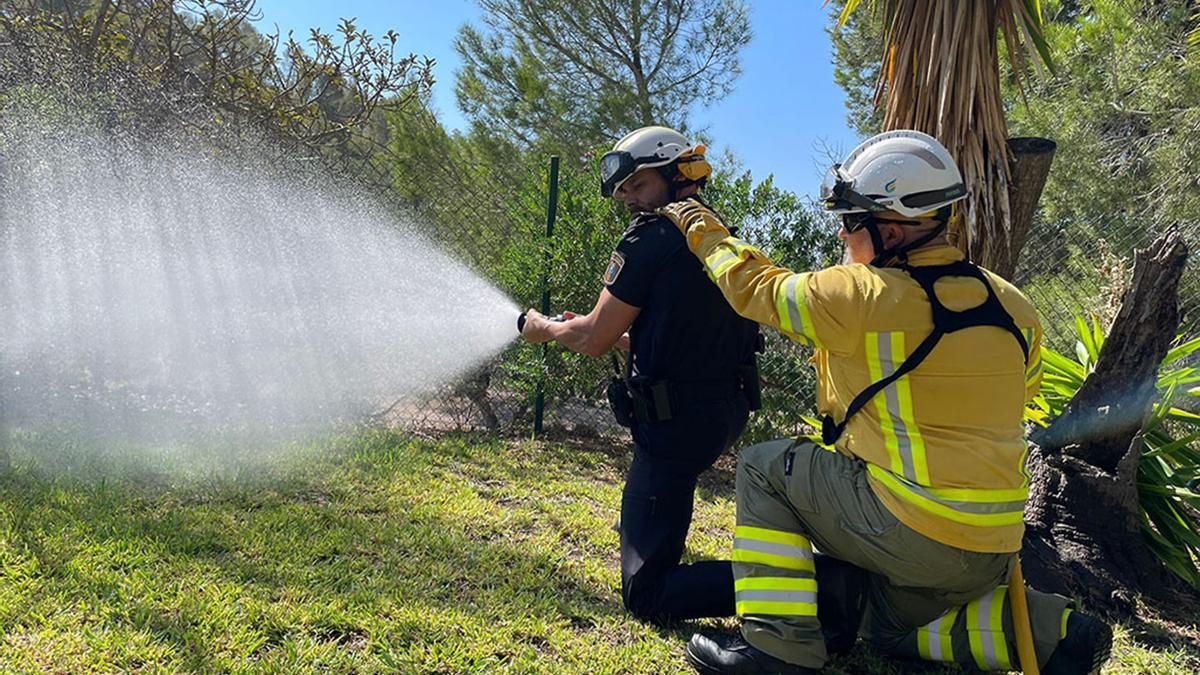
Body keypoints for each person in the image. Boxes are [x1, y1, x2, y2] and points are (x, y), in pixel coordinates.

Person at [656, 130, 1113, 674]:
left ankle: (778, 648)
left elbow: (758, 288)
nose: (843, 234)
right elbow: (1023, 390)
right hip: (994, 546)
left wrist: (699, 225)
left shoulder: (860, 294)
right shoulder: (1014, 305)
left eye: (851, 222)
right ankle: (1051, 633)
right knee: (885, 626)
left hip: (911, 531)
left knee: (763, 467)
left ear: (889, 231)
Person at [520, 126, 761, 625]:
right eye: (623, 190)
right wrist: (627, 338)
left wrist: (544, 328)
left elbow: (591, 338)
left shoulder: (651, 236)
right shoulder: (717, 236)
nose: (628, 198)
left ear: (678, 176)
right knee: (657, 514)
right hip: (720, 414)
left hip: (673, 428)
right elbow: (690, 334)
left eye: (638, 184)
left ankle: (804, 586)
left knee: (646, 594)